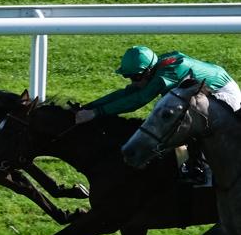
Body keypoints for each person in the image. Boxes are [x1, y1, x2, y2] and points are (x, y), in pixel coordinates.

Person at [75, 45, 241, 184]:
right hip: (204, 87)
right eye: (129, 77)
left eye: (136, 77)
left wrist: (97, 113)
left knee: (183, 124)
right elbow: (128, 93)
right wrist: (90, 107)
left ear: (147, 71)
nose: (133, 81)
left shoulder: (164, 76)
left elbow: (138, 100)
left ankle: (201, 171)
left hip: (222, 93)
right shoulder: (155, 68)